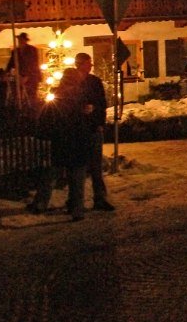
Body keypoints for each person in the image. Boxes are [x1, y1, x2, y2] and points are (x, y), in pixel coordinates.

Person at [29, 68, 89, 221]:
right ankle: (77, 209)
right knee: (76, 177)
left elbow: (47, 117)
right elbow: (86, 119)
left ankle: (41, 203)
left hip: (61, 141)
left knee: (52, 174)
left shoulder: (57, 96)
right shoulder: (81, 96)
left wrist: (46, 133)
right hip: (78, 142)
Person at [75, 53, 115, 211]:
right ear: (80, 64)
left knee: (96, 166)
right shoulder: (72, 82)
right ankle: (75, 201)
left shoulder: (94, 81)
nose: (90, 66)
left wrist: (99, 122)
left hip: (92, 127)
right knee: (79, 166)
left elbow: (101, 103)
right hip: (78, 129)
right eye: (87, 63)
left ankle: (100, 198)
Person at [7, 32, 42, 111]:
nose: (20, 42)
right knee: (18, 95)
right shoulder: (15, 51)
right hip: (19, 76)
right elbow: (11, 63)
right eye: (19, 40)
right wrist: (7, 72)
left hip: (32, 77)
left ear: (25, 40)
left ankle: (32, 111)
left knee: (31, 96)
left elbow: (34, 64)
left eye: (22, 40)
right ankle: (21, 110)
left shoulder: (32, 50)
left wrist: (27, 76)